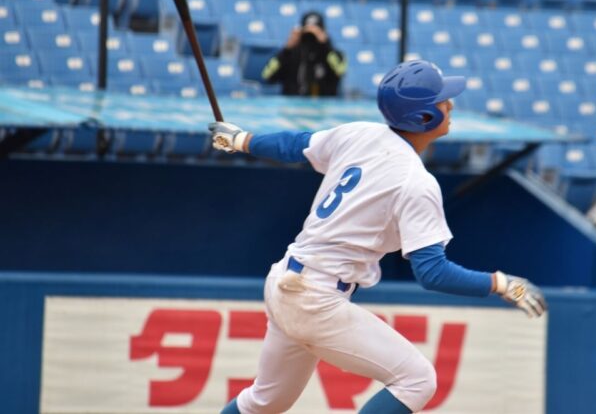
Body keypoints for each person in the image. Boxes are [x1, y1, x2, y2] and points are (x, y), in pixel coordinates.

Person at [209, 60, 547, 414]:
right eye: (443, 99)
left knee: (265, 401)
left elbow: (295, 145)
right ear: (424, 118)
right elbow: (432, 273)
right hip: (316, 298)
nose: (451, 104)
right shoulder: (416, 182)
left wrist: (241, 139)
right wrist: (501, 283)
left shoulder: (361, 134)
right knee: (417, 380)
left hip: (285, 281)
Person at [261, 10, 346, 97]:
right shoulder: (290, 54)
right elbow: (267, 75)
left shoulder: (331, 54)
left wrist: (326, 45)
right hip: (292, 106)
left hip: (322, 106)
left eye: (316, 31)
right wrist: (287, 49)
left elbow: (340, 71)